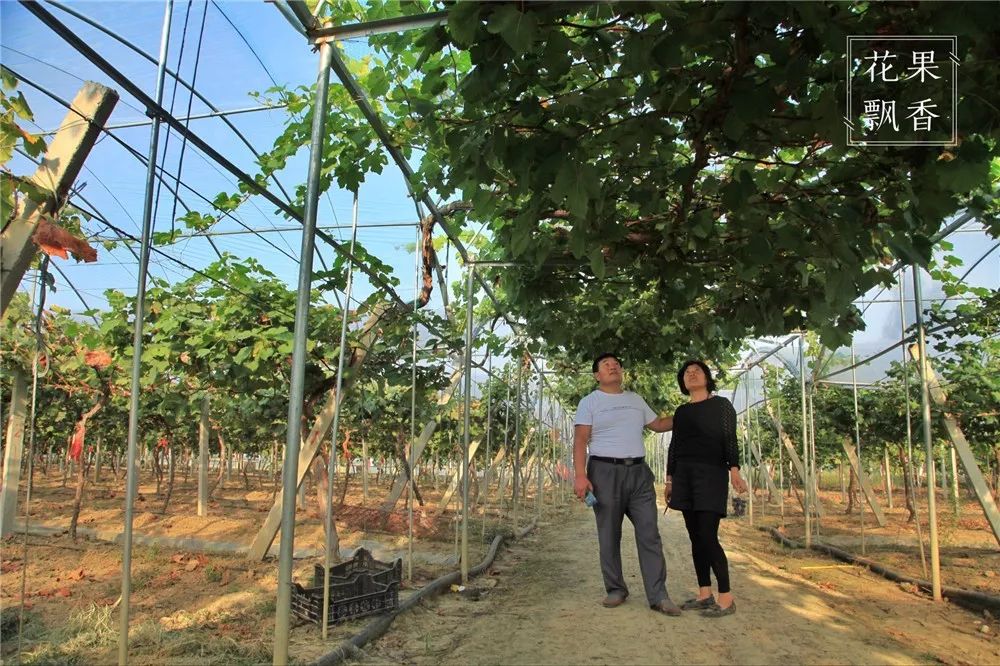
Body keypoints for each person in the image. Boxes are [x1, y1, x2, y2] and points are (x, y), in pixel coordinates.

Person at [573, 353, 681, 616]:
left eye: (616, 364)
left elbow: (657, 425)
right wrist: (579, 475)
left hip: (639, 474)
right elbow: (580, 440)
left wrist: (688, 412)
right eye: (606, 365)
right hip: (604, 471)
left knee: (649, 533)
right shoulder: (590, 402)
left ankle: (658, 595)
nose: (613, 366)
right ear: (597, 375)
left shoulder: (635, 400)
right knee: (609, 533)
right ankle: (615, 589)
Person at [665, 360, 748, 618]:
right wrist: (670, 480)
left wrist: (734, 469)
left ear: (707, 377)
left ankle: (726, 598)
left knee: (708, 535)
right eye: (687, 373)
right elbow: (674, 447)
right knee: (695, 537)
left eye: (696, 371)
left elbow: (729, 438)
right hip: (685, 476)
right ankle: (704, 594)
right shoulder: (682, 412)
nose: (691, 375)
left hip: (711, 474)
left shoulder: (721, 405)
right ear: (682, 382)